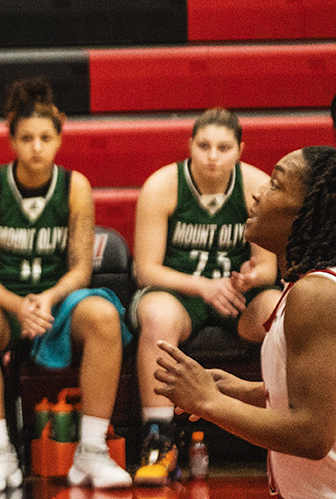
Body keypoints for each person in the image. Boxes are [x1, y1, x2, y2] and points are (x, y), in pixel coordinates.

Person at [0, 78, 133, 493]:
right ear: (11, 139)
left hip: (58, 302)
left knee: (105, 316)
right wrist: (19, 305)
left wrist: (48, 299)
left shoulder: (76, 187)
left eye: (45, 138)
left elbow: (80, 270)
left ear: (60, 136)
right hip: (4, 302)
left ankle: (91, 452)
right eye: (26, 138)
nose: (36, 147)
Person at [156, 146, 336, 497]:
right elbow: (323, 395)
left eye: (275, 184)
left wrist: (210, 402)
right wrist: (241, 390)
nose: (257, 192)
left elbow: (313, 434)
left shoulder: (315, 294)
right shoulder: (307, 285)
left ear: (307, 210)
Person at [129, 108, 280, 483]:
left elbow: (268, 268)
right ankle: (159, 439)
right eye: (204, 145)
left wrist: (249, 277)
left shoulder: (257, 186)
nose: (213, 156)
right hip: (180, 294)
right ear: (190, 146)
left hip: (237, 298)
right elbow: (145, 269)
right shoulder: (162, 185)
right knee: (158, 317)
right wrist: (203, 286)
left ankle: (290, 421)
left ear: (240, 150)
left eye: (224, 147)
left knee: (280, 310)